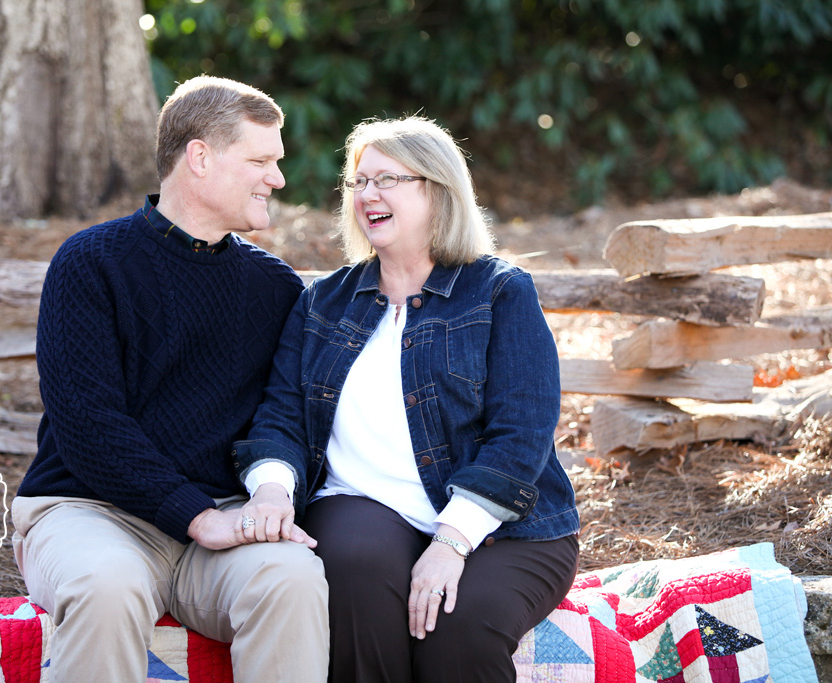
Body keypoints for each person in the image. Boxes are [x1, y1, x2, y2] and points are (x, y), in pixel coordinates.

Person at [233, 116, 580, 683]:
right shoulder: (323, 302)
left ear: (437, 190)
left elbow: (521, 436)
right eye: (359, 182)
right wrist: (271, 488)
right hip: (365, 504)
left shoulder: (499, 291)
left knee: (458, 624)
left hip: (502, 526)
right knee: (354, 574)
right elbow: (280, 416)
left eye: (388, 179)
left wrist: (450, 543)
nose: (368, 195)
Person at [10, 76, 329, 683]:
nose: (278, 178)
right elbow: (88, 422)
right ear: (200, 157)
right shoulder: (92, 263)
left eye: (277, 162)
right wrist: (193, 514)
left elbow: (286, 416)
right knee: (107, 587)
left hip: (220, 524)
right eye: (260, 160)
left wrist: (267, 497)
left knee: (291, 580)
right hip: (92, 511)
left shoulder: (274, 287)